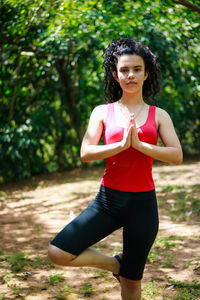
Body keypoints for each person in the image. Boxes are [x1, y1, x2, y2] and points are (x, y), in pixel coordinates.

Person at [48, 38, 183, 300]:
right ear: (115, 74)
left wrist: (141, 146)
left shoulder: (160, 115)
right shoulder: (102, 112)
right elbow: (86, 153)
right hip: (107, 202)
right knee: (58, 252)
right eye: (124, 70)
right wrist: (121, 145)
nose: (130, 75)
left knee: (132, 284)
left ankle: (127, 270)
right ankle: (116, 264)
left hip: (143, 205)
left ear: (146, 73)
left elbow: (176, 155)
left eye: (136, 69)